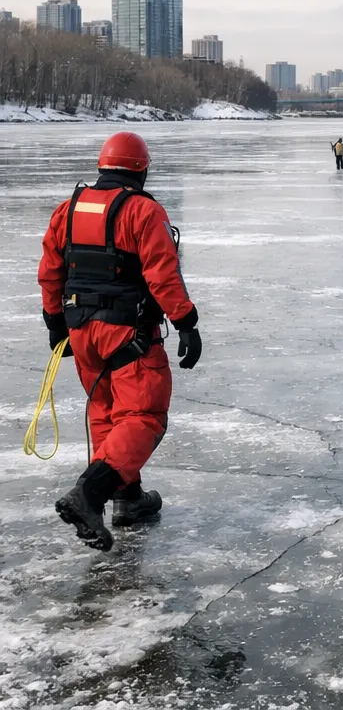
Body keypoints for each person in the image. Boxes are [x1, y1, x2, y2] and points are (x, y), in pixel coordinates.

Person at [37, 132, 202, 551]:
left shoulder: (67, 210)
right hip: (127, 333)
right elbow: (162, 273)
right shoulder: (143, 212)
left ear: (103, 165)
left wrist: (56, 324)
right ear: (141, 169)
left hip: (81, 330)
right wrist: (186, 322)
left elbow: (51, 270)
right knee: (144, 415)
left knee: (107, 412)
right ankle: (90, 495)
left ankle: (127, 498)